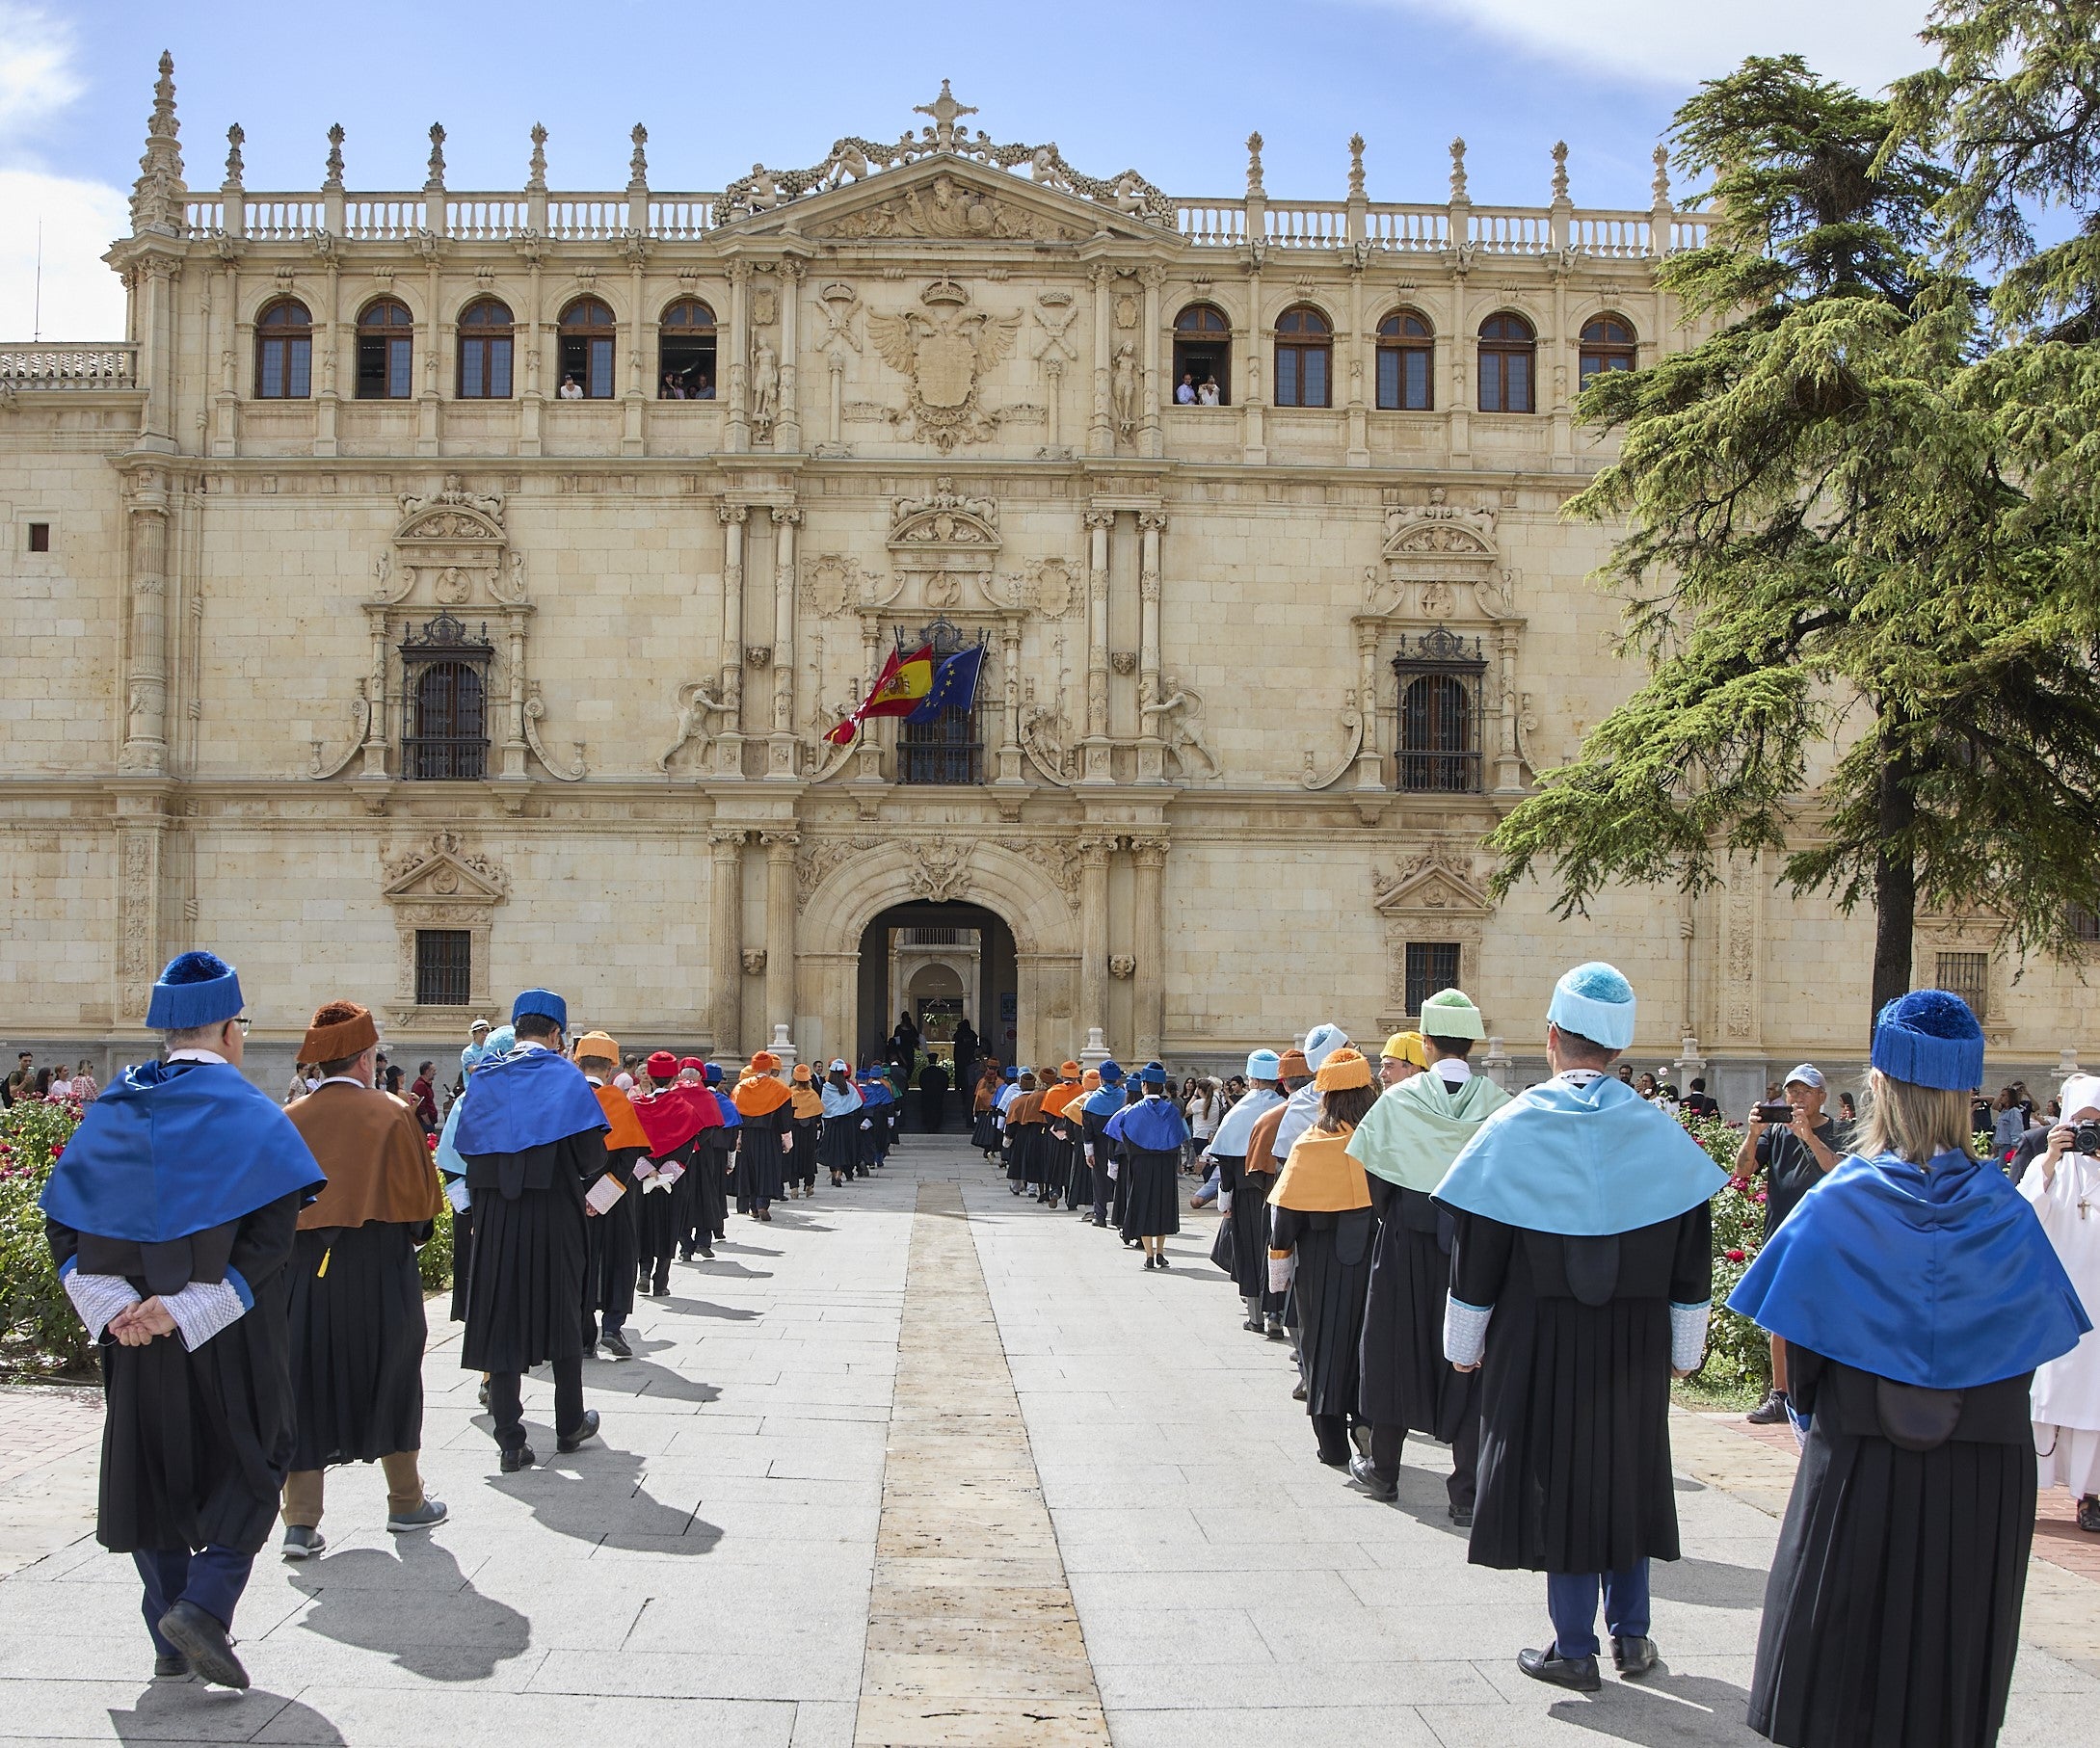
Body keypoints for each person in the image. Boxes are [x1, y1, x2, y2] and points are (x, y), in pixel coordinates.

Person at [1731, 991, 2088, 1746]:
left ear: (1880, 1088)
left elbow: (1799, 1364)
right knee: (1947, 1678)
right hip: (1983, 1480)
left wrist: (1816, 1422)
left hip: (1858, 1461)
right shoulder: (2004, 1211)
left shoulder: (1839, 1203)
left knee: (1835, 1671)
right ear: (1966, 1096)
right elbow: (2027, 1352)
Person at [1436, 962, 1726, 1692]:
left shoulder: (1512, 1128)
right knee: (1625, 1474)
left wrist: (1462, 1348)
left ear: (1551, 1038)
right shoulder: (1659, 1135)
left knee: (1557, 1481)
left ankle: (1573, 1648)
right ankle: (1632, 1639)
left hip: (1537, 1339)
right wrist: (1685, 1353)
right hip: (1632, 1343)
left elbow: (1477, 1259)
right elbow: (1692, 1264)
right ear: (1619, 1050)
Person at [40, 950, 325, 1689]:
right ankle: (202, 1607)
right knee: (257, 1455)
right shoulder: (252, 1114)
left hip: (133, 1336)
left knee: (154, 1466)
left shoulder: (111, 1109)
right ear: (231, 1030)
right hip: (228, 1332)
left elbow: (63, 1226)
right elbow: (269, 1241)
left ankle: (168, 1635)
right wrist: (185, 1306)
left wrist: (122, 1310)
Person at [279, 999, 448, 1558]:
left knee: (303, 1379)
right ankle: (405, 1501)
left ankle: (300, 1521)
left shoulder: (288, 1119)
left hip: (305, 1271)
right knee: (394, 1373)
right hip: (380, 1268)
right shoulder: (393, 1112)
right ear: (365, 1058)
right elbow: (424, 1208)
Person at [1347, 989, 1508, 1517]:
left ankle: (1385, 1471)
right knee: (1469, 1361)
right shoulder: (1500, 1105)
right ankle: (1466, 1492)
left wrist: (1398, 1216)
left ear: (1427, 1042)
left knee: (1394, 1349)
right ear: (1472, 1043)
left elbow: (1376, 1179)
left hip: (1404, 1242)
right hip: (1475, 1246)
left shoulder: (1399, 1099)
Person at [452, 988, 611, 1472]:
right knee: (562, 1311)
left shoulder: (484, 1078)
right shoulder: (566, 1077)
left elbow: (466, 1149)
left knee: (501, 1314)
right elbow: (591, 1158)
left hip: (496, 1218)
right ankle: (567, 1426)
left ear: (517, 1028)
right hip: (554, 1214)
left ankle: (509, 1438)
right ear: (557, 1033)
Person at [1266, 1047, 1380, 1466]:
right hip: (1374, 1259)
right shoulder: (1383, 1140)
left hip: (1318, 1264)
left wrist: (1278, 1267)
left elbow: (1286, 1217)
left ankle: (1331, 1445)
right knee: (1369, 1345)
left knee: (1320, 1349)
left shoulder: (1310, 1144)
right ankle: (1367, 1420)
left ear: (1326, 1096)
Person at [1736, 1065, 1838, 1426]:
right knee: (1778, 1315)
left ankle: (1823, 1393)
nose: (1796, 1098)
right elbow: (1744, 1170)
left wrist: (1808, 1136)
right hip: (1781, 1233)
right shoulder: (1776, 1132)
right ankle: (1780, 1395)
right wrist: (1753, 1134)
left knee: (1824, 1314)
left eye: (1805, 1092)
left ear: (1821, 1097)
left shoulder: (1838, 1130)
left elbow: (1838, 1171)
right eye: (1792, 1092)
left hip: (1826, 1237)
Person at [2020, 1073, 2100, 1533]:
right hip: (2061, 1301)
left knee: (2094, 1403)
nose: (2087, 1131)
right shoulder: (2049, 1166)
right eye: (2080, 1121)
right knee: (2048, 1396)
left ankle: (2091, 1495)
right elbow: (2024, 1215)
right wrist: (2049, 1158)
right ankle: (2026, 1486)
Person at [572, 1031, 651, 1359]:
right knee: (619, 1259)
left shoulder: (567, 1098)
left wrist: (582, 1197)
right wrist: (602, 1197)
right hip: (615, 1199)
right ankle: (613, 1326)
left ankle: (584, 1334)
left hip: (573, 1198)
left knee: (580, 1264)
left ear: (579, 1063)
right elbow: (628, 1158)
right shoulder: (617, 1101)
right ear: (609, 1068)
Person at [435, 1023, 512, 1330]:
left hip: (478, 1198)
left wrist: (467, 1205)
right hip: (490, 1198)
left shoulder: (470, 1101)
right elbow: (450, 1159)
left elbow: (448, 1161)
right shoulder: (470, 1099)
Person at [1206, 1050, 1288, 1332]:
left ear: (1252, 1078)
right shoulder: (1289, 1108)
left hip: (1245, 1193)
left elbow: (1226, 1162)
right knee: (1278, 1248)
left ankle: (1255, 1316)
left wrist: (1224, 1199)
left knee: (1250, 1250)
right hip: (1280, 1191)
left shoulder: (1238, 1112)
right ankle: (1277, 1315)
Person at [1106, 1063, 1189, 1268]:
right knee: (1162, 1207)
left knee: (1143, 1206)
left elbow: (1125, 1138)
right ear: (1161, 1086)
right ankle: (1161, 1252)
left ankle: (1149, 1255)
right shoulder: (1170, 1110)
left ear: (1144, 1085)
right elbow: (1178, 1138)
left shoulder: (1133, 1111)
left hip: (1141, 1165)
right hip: (1165, 1166)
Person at [731, 1051, 793, 1222]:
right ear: (770, 1067)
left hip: (748, 1135)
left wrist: (737, 1137)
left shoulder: (741, 1087)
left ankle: (752, 1206)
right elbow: (785, 1118)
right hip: (770, 1135)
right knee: (768, 1169)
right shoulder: (780, 1089)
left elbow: (735, 1115)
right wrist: (786, 1139)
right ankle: (762, 1203)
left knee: (750, 1169)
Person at [1077, 1060, 1128, 1227]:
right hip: (1121, 1144)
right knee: (1123, 1178)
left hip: (1100, 1145)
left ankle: (1100, 1215)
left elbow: (1087, 1131)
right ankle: (1122, 1216)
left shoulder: (1091, 1102)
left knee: (1099, 1178)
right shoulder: (1125, 1099)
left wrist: (1088, 1152)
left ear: (1101, 1079)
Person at [1042, 1062, 1086, 1208]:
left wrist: (1056, 1128)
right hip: (1075, 1136)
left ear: (1062, 1075)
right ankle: (1071, 1199)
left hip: (1056, 1135)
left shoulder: (1053, 1091)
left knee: (1056, 1164)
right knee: (1071, 1167)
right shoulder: (1082, 1092)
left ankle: (1055, 1191)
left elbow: (1048, 1116)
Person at [820, 1061, 864, 1187]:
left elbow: (825, 1105)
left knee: (832, 1148)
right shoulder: (848, 1087)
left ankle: (835, 1172)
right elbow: (857, 1103)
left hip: (832, 1123)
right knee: (843, 1148)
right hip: (846, 1123)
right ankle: (840, 1172)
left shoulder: (826, 1087)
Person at [1004, 1071, 1046, 1197]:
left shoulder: (1016, 1101)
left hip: (1019, 1136)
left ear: (1020, 1085)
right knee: (1033, 1161)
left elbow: (1011, 1121)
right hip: (1035, 1134)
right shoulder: (1039, 1099)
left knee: (1016, 1161)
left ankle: (1015, 1187)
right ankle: (1032, 1189)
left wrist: (1008, 1137)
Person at [970, 1060, 1003, 1159]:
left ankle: (987, 1149)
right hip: (994, 1113)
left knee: (985, 1134)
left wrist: (975, 1114)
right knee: (994, 1134)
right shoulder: (1001, 1083)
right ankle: (992, 1149)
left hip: (983, 1113)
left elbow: (976, 1100)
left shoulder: (981, 1084)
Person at [917, 1053, 950, 1135]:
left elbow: (921, 1083)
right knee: (937, 1109)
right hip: (938, 1095)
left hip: (927, 1095)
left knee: (927, 1110)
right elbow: (946, 1084)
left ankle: (929, 1126)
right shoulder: (942, 1072)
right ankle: (936, 1126)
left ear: (929, 1060)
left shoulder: (924, 1072)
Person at [410, 1060, 439, 1133]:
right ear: (427, 1071)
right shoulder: (420, 1086)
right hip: (424, 1124)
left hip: (428, 1123)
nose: (435, 1073)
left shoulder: (426, 1085)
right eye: (433, 1070)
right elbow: (421, 1107)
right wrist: (428, 1123)